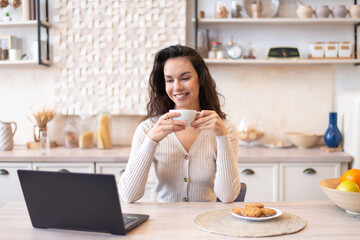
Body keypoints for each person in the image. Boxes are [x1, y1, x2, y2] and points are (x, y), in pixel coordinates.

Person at [119, 44, 240, 203]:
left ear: (201, 79)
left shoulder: (225, 129)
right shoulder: (148, 128)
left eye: (185, 78)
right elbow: (128, 196)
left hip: (205, 223)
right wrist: (151, 140)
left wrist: (222, 138)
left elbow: (227, 197)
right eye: (169, 80)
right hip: (163, 223)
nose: (177, 87)